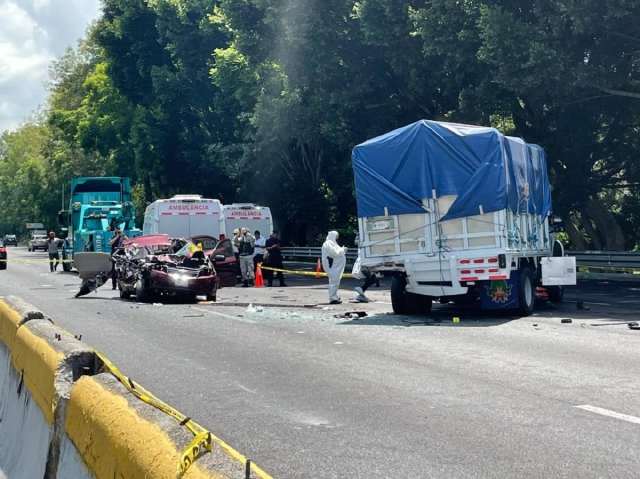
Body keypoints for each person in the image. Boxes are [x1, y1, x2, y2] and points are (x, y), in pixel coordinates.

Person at [321, 231, 347, 304]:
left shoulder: (332, 243)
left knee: (335, 281)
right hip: (332, 265)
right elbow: (335, 253)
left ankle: (335, 296)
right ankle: (332, 298)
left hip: (335, 266)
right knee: (333, 281)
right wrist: (342, 250)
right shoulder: (328, 243)